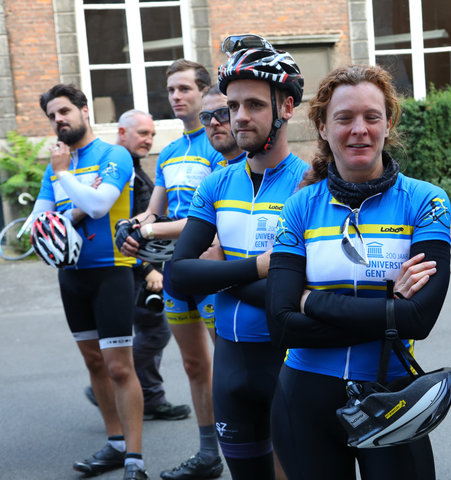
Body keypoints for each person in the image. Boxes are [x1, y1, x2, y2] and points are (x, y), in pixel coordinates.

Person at [265, 64, 451, 479]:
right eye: (344, 118)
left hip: (393, 395)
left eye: (372, 117)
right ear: (323, 127)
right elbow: (280, 324)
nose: (359, 130)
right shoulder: (300, 206)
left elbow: (420, 319)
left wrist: (312, 300)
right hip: (304, 395)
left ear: (389, 123)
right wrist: (390, 313)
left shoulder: (426, 201)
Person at [170, 34, 306, 479]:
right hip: (229, 364)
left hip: (288, 364)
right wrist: (257, 267)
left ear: (286, 107)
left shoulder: (309, 185)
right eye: (232, 106)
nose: (239, 117)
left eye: (254, 105)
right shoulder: (216, 184)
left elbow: (290, 294)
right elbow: (175, 277)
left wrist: (217, 272)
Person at [33, 84, 149, 480]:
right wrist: (65, 202)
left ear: (84, 110)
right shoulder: (56, 166)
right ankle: (115, 444)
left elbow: (99, 205)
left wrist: (65, 178)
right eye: (52, 115)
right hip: (71, 275)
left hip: (111, 271)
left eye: (64, 111)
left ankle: (135, 458)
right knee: (93, 362)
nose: (58, 120)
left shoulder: (113, 154)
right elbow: (38, 222)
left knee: (119, 366)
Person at [118, 59, 225, 480]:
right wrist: (134, 228)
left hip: (211, 267)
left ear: (204, 94)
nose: (176, 97)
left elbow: (206, 217)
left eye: (184, 89)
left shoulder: (219, 144)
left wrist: (151, 232)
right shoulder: (173, 151)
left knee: (231, 365)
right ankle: (208, 455)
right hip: (176, 270)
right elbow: (153, 210)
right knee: (194, 366)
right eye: (171, 91)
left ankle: (250, 449)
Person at [83, 109, 192, 422]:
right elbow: (120, 227)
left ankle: (151, 396)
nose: (149, 140)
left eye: (152, 134)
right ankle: (111, 378)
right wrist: (148, 269)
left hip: (145, 266)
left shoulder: (133, 166)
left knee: (149, 328)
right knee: (156, 332)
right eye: (143, 133)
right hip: (134, 268)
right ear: (121, 134)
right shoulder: (119, 169)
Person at [200, 84, 244, 165]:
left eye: (223, 113)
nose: (213, 122)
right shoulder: (214, 174)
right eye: (206, 117)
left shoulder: (262, 168)